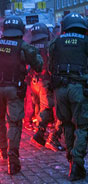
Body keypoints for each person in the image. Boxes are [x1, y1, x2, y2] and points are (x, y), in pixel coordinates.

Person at [0, 16, 43, 175]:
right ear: (21, 31)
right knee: (15, 123)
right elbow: (39, 65)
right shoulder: (24, 46)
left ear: (4, 30)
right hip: (14, 89)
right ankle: (12, 159)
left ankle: (2, 150)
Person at [49, 12, 88, 181]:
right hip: (79, 89)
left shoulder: (56, 42)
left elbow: (50, 66)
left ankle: (71, 161)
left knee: (67, 124)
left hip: (60, 90)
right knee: (83, 126)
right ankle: (77, 162)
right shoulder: (86, 41)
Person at [29, 23, 64, 152]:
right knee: (48, 107)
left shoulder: (31, 46)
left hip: (34, 81)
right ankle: (41, 134)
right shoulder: (49, 46)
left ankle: (39, 133)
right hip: (45, 81)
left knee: (41, 107)